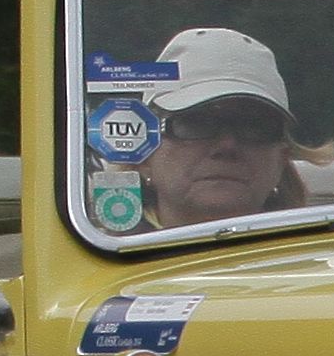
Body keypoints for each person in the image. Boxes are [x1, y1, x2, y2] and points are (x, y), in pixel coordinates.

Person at [119, 25, 301, 229]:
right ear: (144, 153)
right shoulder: (96, 255)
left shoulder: (320, 258)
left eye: (253, 126)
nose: (227, 146)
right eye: (196, 124)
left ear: (282, 159)